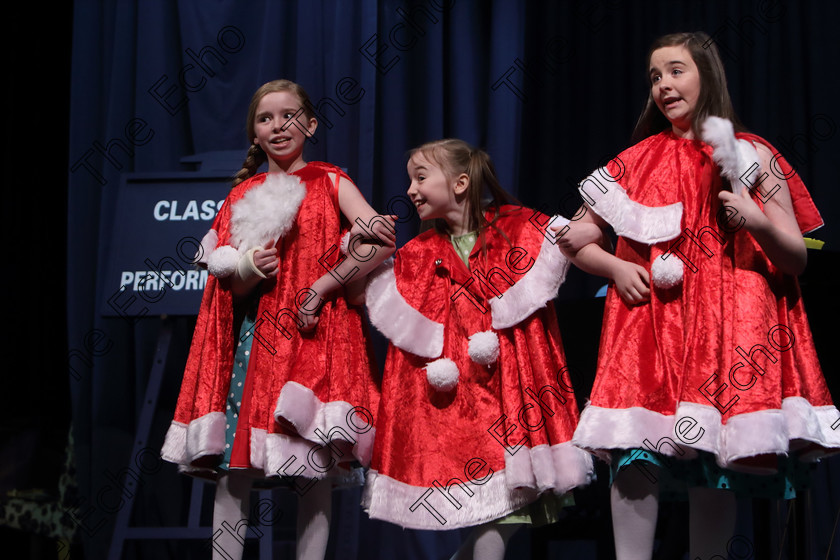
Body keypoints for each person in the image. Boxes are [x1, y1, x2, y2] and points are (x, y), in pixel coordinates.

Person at [560, 32, 840, 560]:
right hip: (649, 333)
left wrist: (756, 218)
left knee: (712, 461)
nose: (663, 85)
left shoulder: (752, 153)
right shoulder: (635, 162)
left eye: (675, 71)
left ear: (706, 75)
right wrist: (617, 266)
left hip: (723, 331)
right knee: (635, 453)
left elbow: (797, 259)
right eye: (654, 77)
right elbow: (572, 239)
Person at [160, 79, 395, 560]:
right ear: (254, 133)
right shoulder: (241, 194)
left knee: (312, 466)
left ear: (309, 124)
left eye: (289, 115)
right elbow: (228, 281)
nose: (278, 125)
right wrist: (249, 269)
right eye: (266, 118)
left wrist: (324, 284)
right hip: (254, 342)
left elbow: (380, 238)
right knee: (235, 466)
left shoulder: (330, 180)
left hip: (313, 339)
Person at [361, 138, 594, 560]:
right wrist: (362, 245)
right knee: (494, 514)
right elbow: (368, 292)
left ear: (461, 183)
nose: (410, 190)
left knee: (502, 515)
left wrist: (604, 237)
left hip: (513, 399)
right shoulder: (417, 254)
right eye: (409, 180)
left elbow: (579, 234)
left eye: (421, 177)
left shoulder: (516, 228)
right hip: (461, 411)